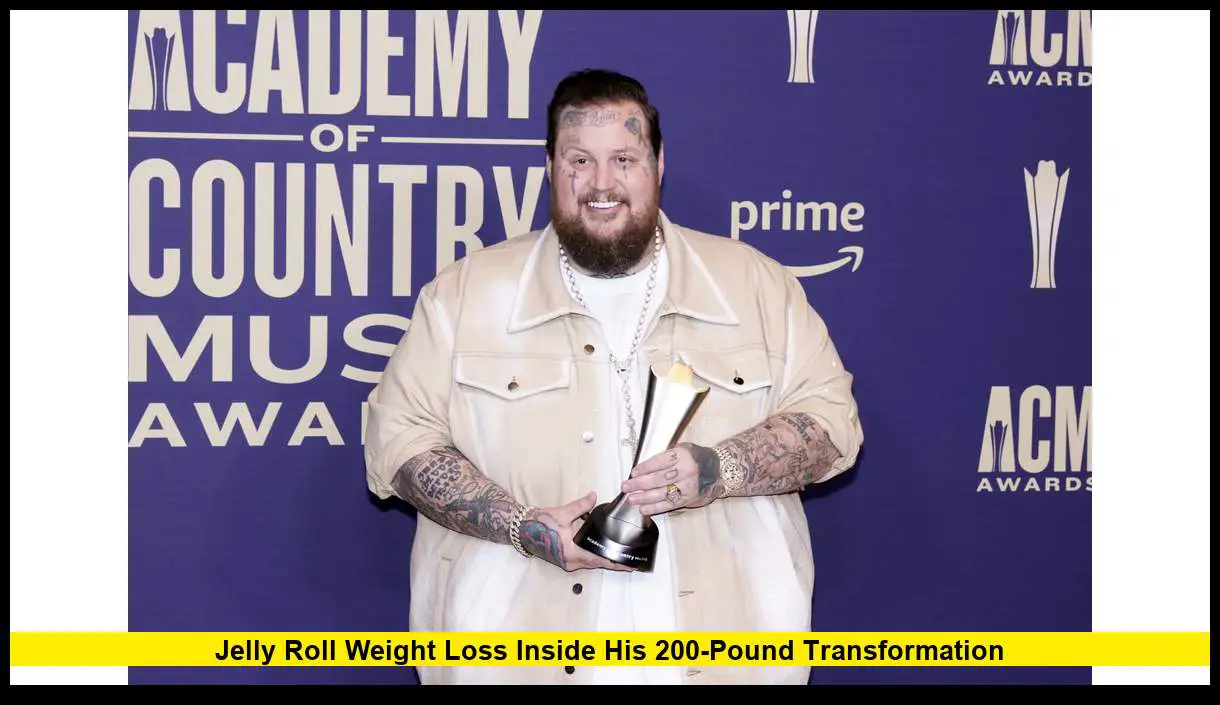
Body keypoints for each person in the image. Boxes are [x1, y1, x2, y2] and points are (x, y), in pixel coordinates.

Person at [363, 68, 863, 686]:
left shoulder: (755, 286)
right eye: (580, 160)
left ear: (658, 163)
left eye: (624, 159)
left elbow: (833, 424)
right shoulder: (464, 296)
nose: (602, 183)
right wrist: (520, 526)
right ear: (551, 166)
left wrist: (719, 469)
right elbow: (399, 442)